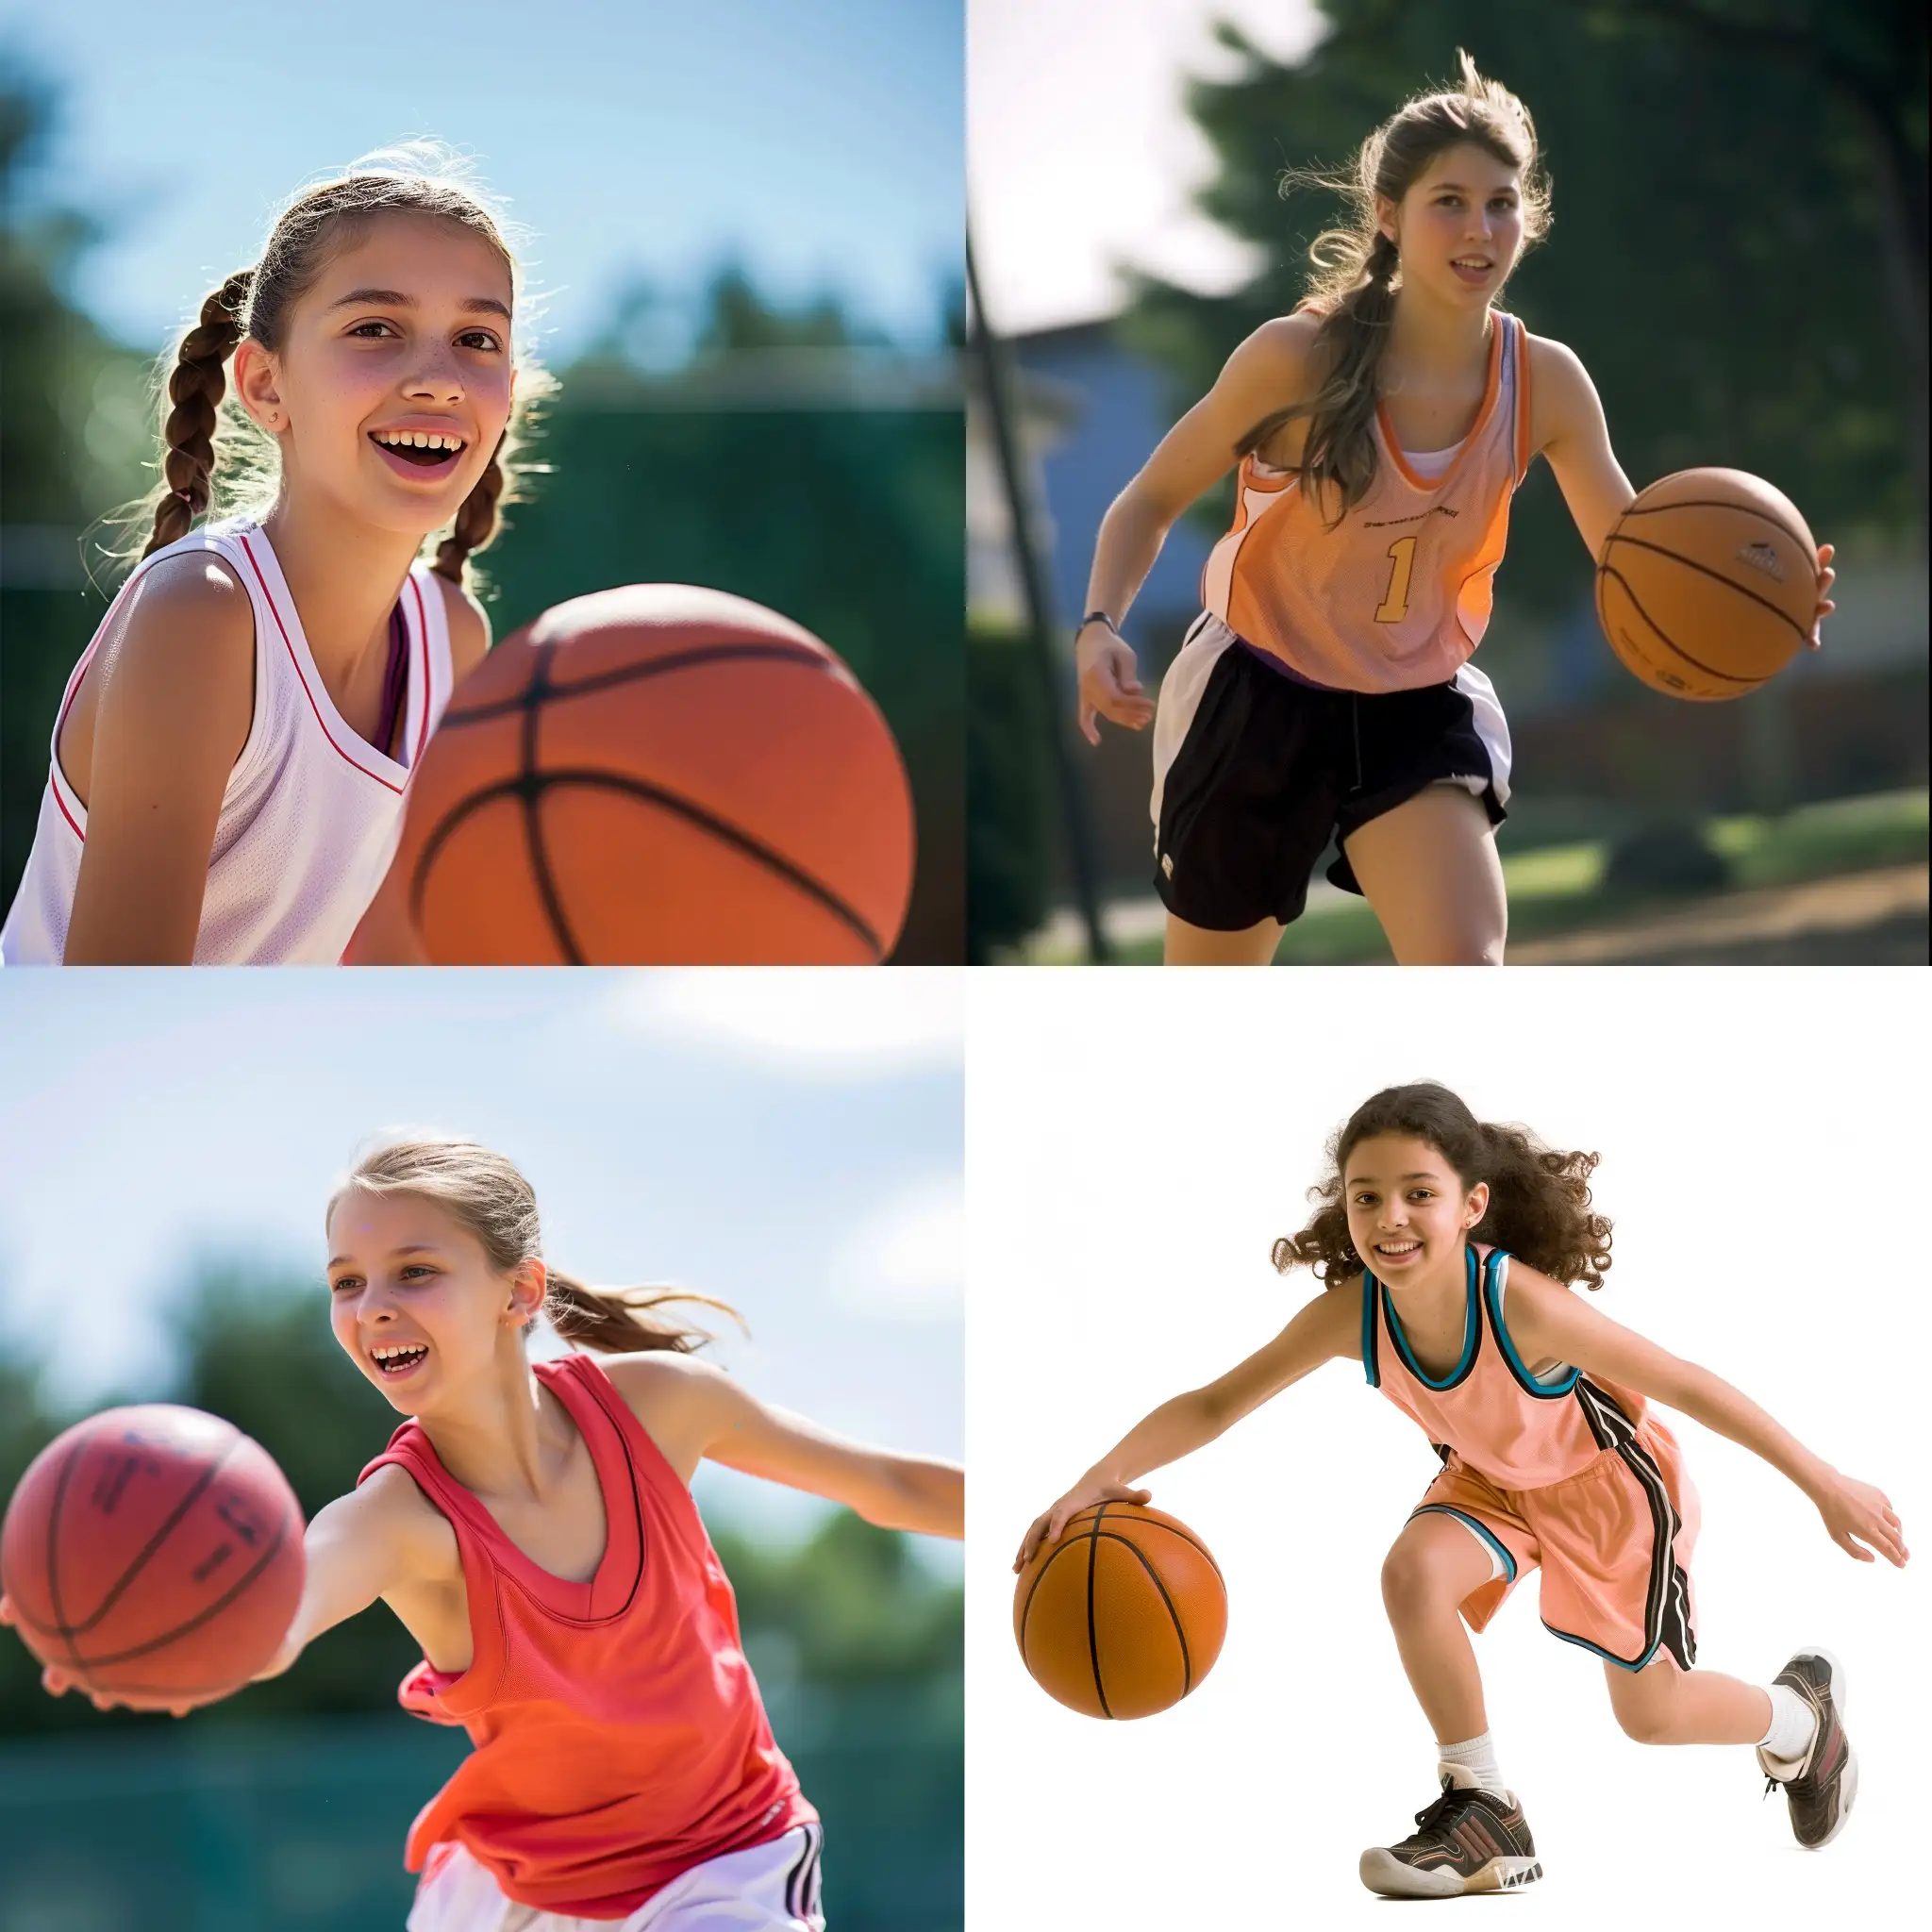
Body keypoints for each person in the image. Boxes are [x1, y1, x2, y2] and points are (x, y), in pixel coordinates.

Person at [6, 1138, 964, 1930]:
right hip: (517, 1888)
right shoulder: (398, 1520)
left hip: (721, 1862)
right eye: (346, 1281)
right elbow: (281, 1610)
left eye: (414, 1271)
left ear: (519, 1291)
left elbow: (884, 1482)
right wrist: (150, 1638)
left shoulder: (659, 1406)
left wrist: (1046, 1509)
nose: (371, 1303)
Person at [1016, 1082, 1904, 1898]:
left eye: (1418, 1193)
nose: (1389, 1217)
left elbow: (1687, 1382)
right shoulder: (1352, 1313)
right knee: (1412, 1576)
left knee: (1654, 1717)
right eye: (1366, 1196)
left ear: (1472, 1205)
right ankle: (1484, 1807)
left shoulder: (1521, 1305)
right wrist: (1096, 1482)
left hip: (1608, 1493)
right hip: (1490, 1484)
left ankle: (1800, 1723)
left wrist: (1824, 1483)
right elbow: (1214, 1404)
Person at [1070, 54, 1836, 965]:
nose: (1481, 228)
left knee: (1464, 972)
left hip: (1413, 702)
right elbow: (1149, 497)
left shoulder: (1545, 381)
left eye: (1502, 203)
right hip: (1257, 693)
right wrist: (1098, 624)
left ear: (1528, 218)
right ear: (1389, 217)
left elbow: (1636, 559)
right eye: (1451, 202)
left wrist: (1763, 597)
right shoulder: (1294, 362)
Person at [0, 143, 549, 965]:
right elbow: (118, 1016)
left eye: (477, 338)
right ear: (265, 386)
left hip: (260, 1090)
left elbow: (398, 972)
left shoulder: (451, 639)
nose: (440, 379)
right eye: (375, 328)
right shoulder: (203, 614)